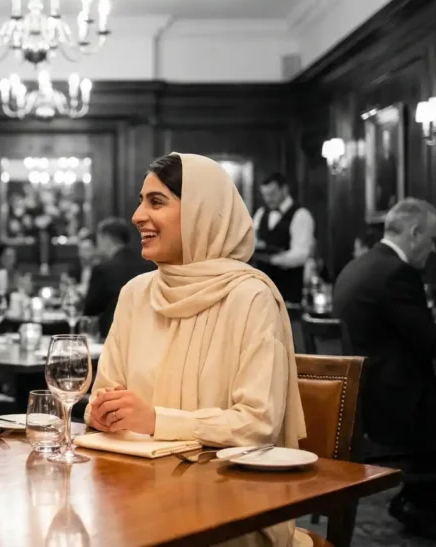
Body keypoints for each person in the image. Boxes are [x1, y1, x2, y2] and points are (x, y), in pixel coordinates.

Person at [85, 154, 307, 547]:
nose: (137, 215)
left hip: (231, 508)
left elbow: (257, 425)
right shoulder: (135, 294)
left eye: (156, 202)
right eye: (141, 201)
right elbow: (101, 399)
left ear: (203, 213)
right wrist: (103, 412)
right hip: (137, 493)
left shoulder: (250, 297)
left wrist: (154, 419)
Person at [333, 198, 436, 539]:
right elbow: (432, 345)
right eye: (432, 238)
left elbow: (390, 331)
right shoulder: (398, 273)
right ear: (414, 233)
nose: (435, 247)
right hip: (400, 408)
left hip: (371, 402)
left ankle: (417, 499)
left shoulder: (360, 267)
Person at [83, 217, 155, 338]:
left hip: (114, 336)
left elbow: (90, 310)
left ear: (106, 238)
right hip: (148, 333)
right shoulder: (151, 264)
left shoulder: (103, 269)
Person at [251, 173, 315, 305]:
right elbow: (253, 240)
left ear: (284, 190)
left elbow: (301, 254)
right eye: (265, 195)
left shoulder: (301, 215)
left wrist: (272, 259)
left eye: (272, 194)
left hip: (289, 289)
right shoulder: (261, 213)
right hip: (263, 290)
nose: (268, 199)